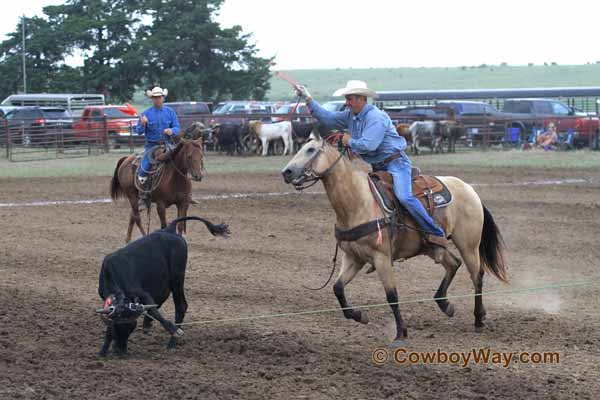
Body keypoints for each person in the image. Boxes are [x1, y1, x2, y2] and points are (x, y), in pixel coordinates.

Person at [295, 80, 448, 249]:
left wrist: (347, 139)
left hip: (396, 164)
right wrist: (308, 98)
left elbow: (369, 145)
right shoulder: (350, 115)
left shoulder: (376, 117)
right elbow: (328, 119)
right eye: (347, 98)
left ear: (362, 99)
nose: (347, 102)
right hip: (378, 166)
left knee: (405, 197)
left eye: (350, 98)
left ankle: (435, 233)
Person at [135, 86, 180, 210]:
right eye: (155, 97)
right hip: (152, 146)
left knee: (181, 162)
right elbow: (138, 131)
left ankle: (184, 193)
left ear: (163, 98)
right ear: (152, 99)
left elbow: (177, 128)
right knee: (144, 169)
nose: (157, 99)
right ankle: (143, 197)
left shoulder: (170, 112)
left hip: (168, 144)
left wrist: (171, 130)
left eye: (159, 97)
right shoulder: (146, 113)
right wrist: (143, 124)